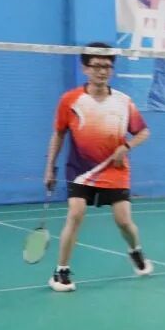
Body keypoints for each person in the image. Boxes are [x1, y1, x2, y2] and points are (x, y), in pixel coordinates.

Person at [43, 43, 154, 292]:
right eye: (96, 66)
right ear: (85, 68)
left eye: (107, 66)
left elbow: (143, 132)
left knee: (123, 221)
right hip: (81, 170)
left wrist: (126, 146)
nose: (102, 71)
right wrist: (49, 167)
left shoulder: (123, 102)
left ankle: (135, 251)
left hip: (114, 169)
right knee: (75, 214)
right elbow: (58, 134)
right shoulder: (70, 100)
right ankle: (61, 271)